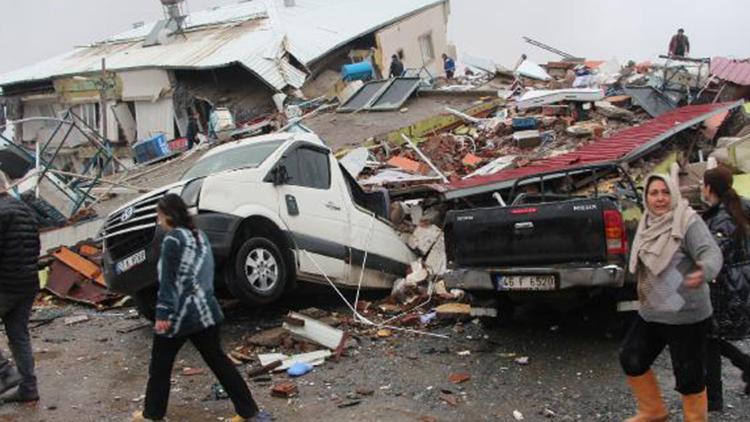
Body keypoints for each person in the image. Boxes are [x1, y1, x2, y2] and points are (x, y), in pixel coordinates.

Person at [133, 194, 262, 421]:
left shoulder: (173, 240)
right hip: (206, 312)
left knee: (160, 366)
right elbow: (206, 273)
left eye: (160, 214)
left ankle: (152, 415)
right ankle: (247, 410)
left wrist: (162, 313)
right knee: (219, 362)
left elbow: (169, 281)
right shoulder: (200, 236)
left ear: (169, 216)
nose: (158, 218)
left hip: (179, 316)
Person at [620, 173, 722, 422]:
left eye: (665, 192)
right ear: (646, 197)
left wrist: (704, 271)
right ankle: (653, 410)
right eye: (654, 193)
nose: (660, 198)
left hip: (687, 315)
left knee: (689, 377)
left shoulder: (687, 222)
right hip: (652, 310)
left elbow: (711, 252)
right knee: (631, 358)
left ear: (674, 194)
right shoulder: (646, 223)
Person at [701, 166, 750, 412]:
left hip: (727, 284)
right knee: (713, 335)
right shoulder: (743, 206)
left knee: (710, 337)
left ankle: (714, 398)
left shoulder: (720, 218)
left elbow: (714, 254)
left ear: (709, 188)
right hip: (743, 279)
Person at [0, 170, 40, 404]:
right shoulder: (24, 209)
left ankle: (5, 371)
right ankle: (28, 388)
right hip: (28, 283)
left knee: (19, 336)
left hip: (5, 284)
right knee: (18, 336)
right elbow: (36, 245)